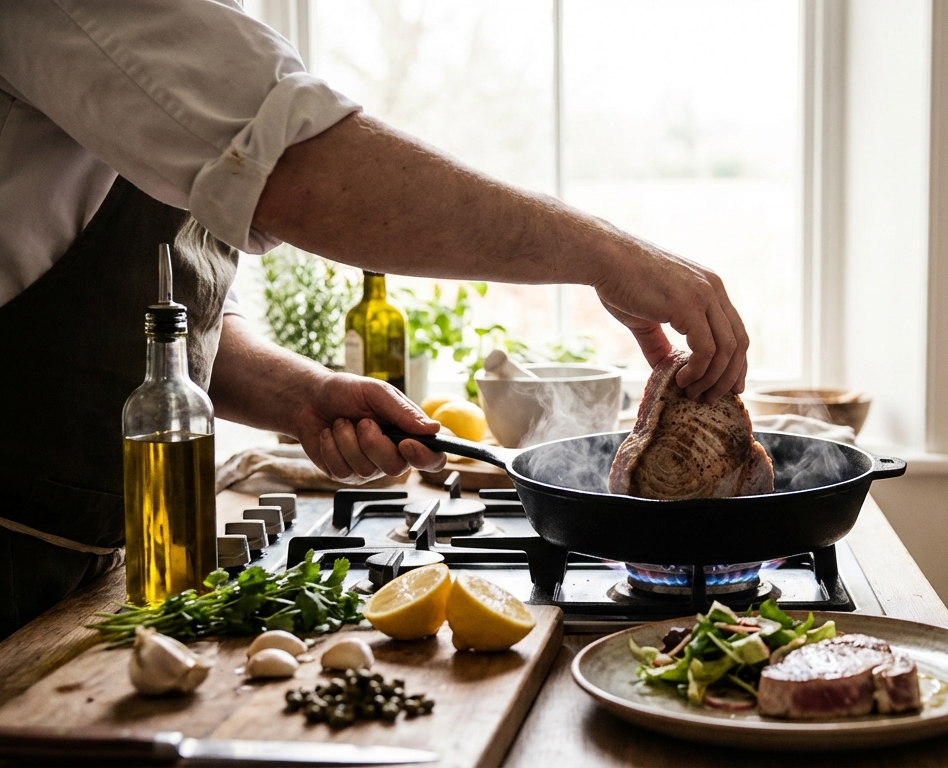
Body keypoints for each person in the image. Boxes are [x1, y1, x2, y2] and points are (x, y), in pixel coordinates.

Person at [0, 1, 749, 639]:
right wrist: (610, 256)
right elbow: (297, 171)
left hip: (83, 575)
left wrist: (303, 394)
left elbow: (171, 331)